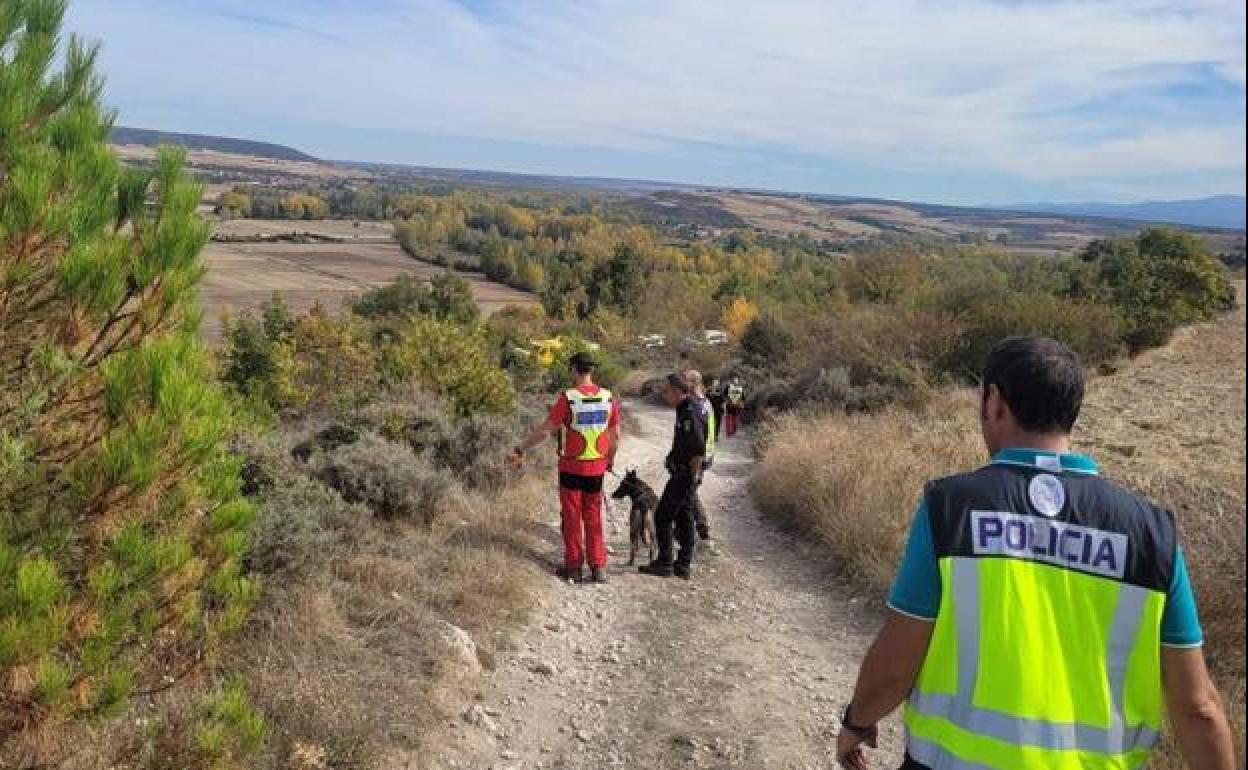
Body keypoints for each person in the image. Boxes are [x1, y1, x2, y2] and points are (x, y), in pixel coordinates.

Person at [834, 337, 1236, 770]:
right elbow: (1198, 709)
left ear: (995, 402)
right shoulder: (1152, 533)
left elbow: (897, 662)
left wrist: (858, 721)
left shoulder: (950, 508)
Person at [512, 352, 620, 584]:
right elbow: (615, 434)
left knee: (572, 517)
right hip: (596, 468)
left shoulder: (569, 398)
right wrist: (609, 460)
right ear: (591, 370)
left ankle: (574, 568)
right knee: (593, 517)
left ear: (574, 369)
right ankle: (598, 567)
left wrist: (521, 447)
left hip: (572, 467)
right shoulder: (607, 397)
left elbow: (545, 430)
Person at [639, 373, 706, 580]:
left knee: (662, 516)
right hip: (683, 472)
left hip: (684, 474)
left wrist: (691, 476)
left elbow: (698, 448)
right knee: (684, 516)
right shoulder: (684, 408)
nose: (664, 395)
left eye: (666, 391)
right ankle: (683, 565)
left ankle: (665, 563)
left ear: (677, 391)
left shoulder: (690, 411)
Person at [682, 368, 716, 541]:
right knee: (689, 491)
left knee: (689, 492)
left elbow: (698, 439)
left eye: (685, 381)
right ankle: (696, 528)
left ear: (694, 383)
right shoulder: (706, 402)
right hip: (706, 456)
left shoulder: (697, 405)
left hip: (699, 457)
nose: (682, 384)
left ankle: (701, 527)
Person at [706, 374, 727, 443]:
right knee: (710, 422)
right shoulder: (709, 390)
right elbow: (705, 399)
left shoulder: (721, 391)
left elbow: (723, 400)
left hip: (718, 410)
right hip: (710, 409)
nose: (715, 383)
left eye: (716, 382)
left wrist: (724, 408)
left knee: (717, 423)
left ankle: (715, 436)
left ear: (718, 383)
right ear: (713, 383)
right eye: (714, 382)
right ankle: (709, 435)